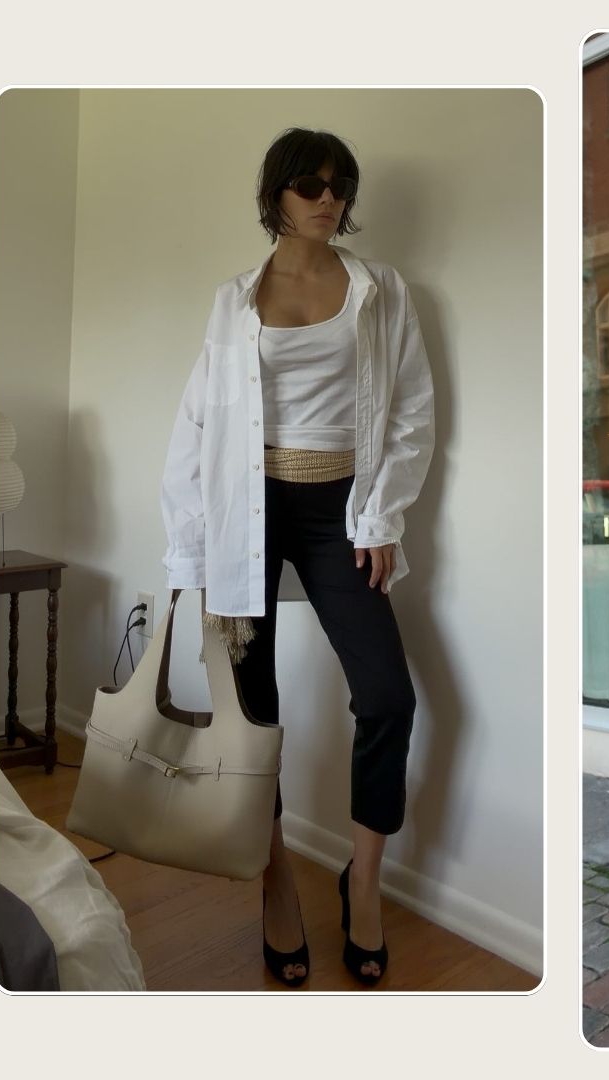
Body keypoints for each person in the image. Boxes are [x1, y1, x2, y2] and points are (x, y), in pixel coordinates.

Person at [160, 128, 435, 988]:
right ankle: (277, 880)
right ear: (276, 193)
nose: (326, 198)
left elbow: (413, 412)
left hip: (339, 514)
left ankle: (365, 881)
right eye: (308, 183)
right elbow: (197, 424)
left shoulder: (383, 291)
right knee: (255, 712)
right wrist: (192, 549)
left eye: (339, 185)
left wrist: (382, 517)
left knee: (387, 695)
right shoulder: (232, 300)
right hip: (248, 510)